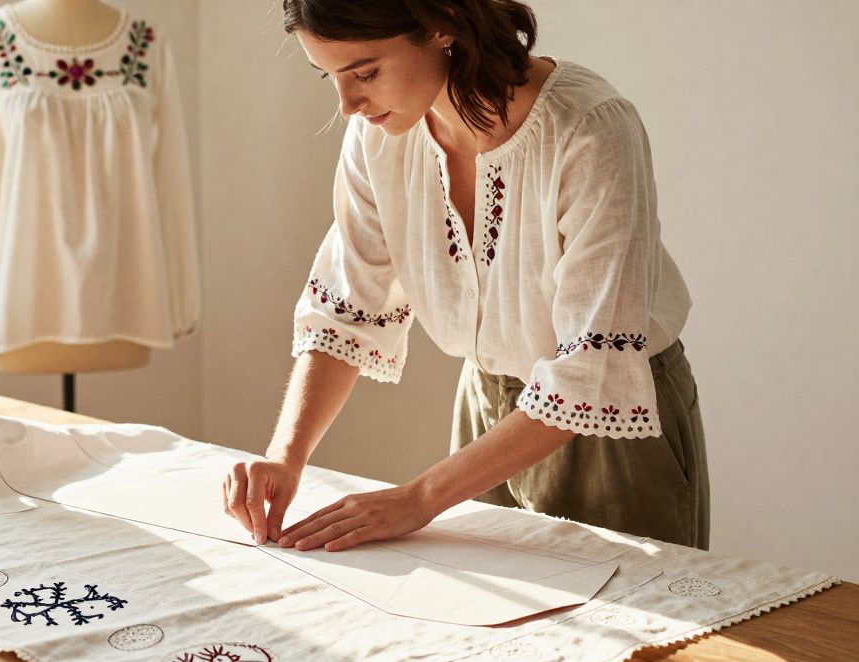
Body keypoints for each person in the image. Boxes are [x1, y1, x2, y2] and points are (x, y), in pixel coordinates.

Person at [222, 0, 709, 553]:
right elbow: (347, 307)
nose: (349, 104)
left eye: (365, 72)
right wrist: (286, 456)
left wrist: (419, 498)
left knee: (636, 630)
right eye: (330, 76)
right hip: (485, 412)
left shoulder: (589, 130)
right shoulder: (378, 135)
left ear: (442, 23)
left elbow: (590, 375)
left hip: (613, 428)